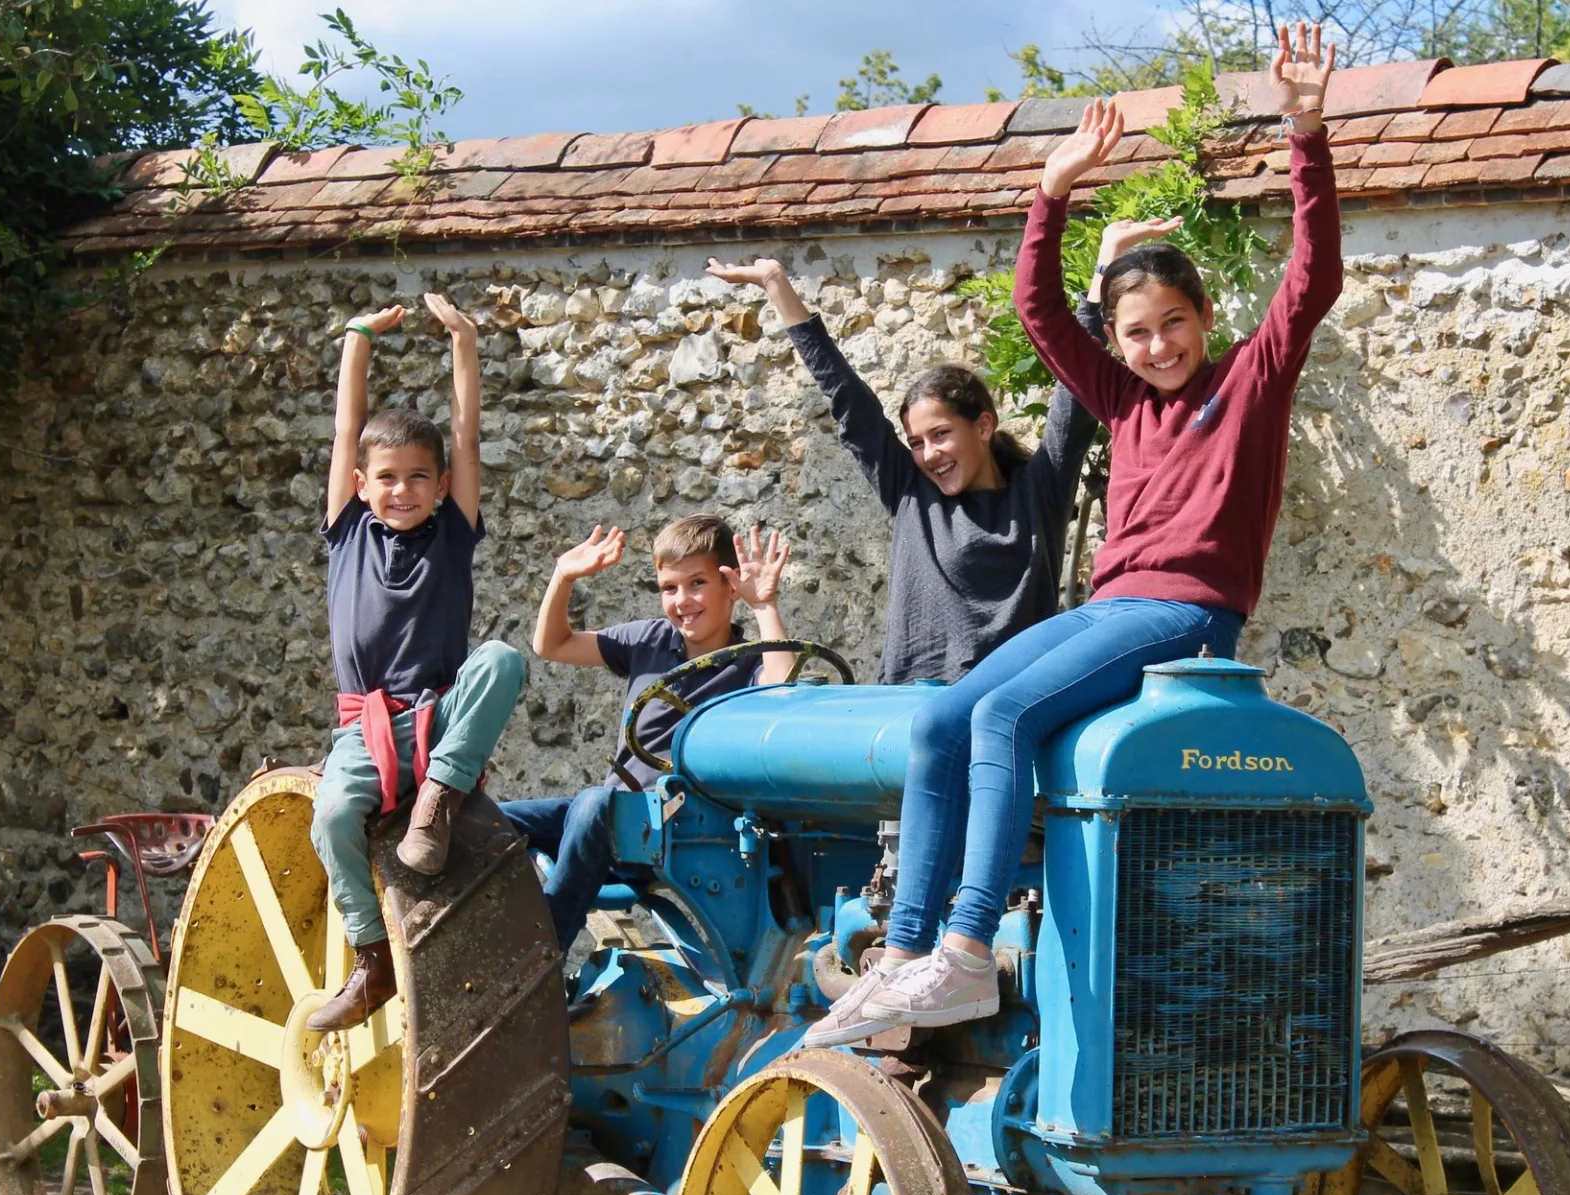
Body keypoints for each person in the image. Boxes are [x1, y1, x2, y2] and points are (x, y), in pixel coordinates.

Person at [807, 23, 1343, 1046]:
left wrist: (1305, 132)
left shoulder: (1250, 381)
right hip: (1111, 609)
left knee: (1004, 713)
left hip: (1186, 615)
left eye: (1172, 324)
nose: (1156, 345)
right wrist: (1050, 195)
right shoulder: (1121, 396)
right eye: (1136, 331)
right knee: (935, 722)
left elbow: (1312, 278)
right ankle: (905, 948)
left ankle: (966, 953)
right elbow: (1042, 314)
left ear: (1204, 314)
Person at [705, 256, 1103, 685]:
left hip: (1008, 705)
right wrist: (775, 283)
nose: (929, 454)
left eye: (941, 434)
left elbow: (1075, 399)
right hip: (908, 706)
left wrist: (1099, 283)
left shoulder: (1038, 491)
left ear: (984, 425)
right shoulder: (911, 490)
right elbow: (846, 394)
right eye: (916, 442)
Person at [307, 294, 527, 1032]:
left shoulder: (452, 534)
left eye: (417, 478)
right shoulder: (347, 531)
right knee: (332, 816)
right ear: (364, 485)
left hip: (438, 716)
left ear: (438, 487)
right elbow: (348, 429)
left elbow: (466, 435)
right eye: (387, 477)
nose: (402, 490)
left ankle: (437, 798)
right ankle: (371, 956)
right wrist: (357, 337)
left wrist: (464, 340)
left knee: (500, 659)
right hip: (364, 729)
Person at [501, 516, 796, 952]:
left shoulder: (749, 665)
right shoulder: (650, 640)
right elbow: (553, 645)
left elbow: (782, 699)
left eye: (697, 583)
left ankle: (542, 956)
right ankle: (491, 945)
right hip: (604, 821)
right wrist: (563, 575)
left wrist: (765, 606)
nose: (682, 600)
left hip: (672, 827)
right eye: (669, 588)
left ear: (731, 586)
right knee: (487, 822)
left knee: (593, 801)